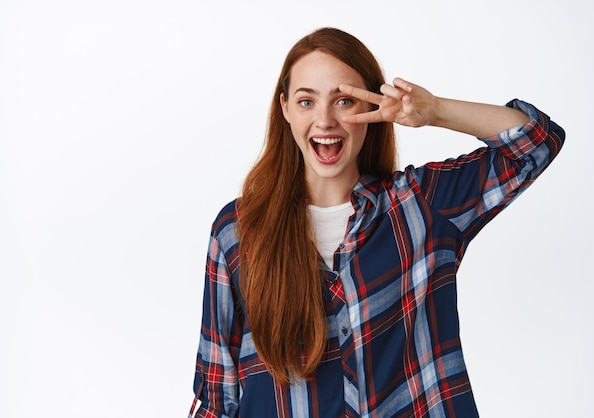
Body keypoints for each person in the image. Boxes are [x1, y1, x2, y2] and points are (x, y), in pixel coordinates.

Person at [189, 27, 565, 418]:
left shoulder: (419, 205)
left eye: (345, 101)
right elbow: (217, 395)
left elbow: (537, 143)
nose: (324, 120)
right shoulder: (238, 230)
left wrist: (434, 110)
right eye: (306, 101)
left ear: (373, 109)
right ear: (285, 109)